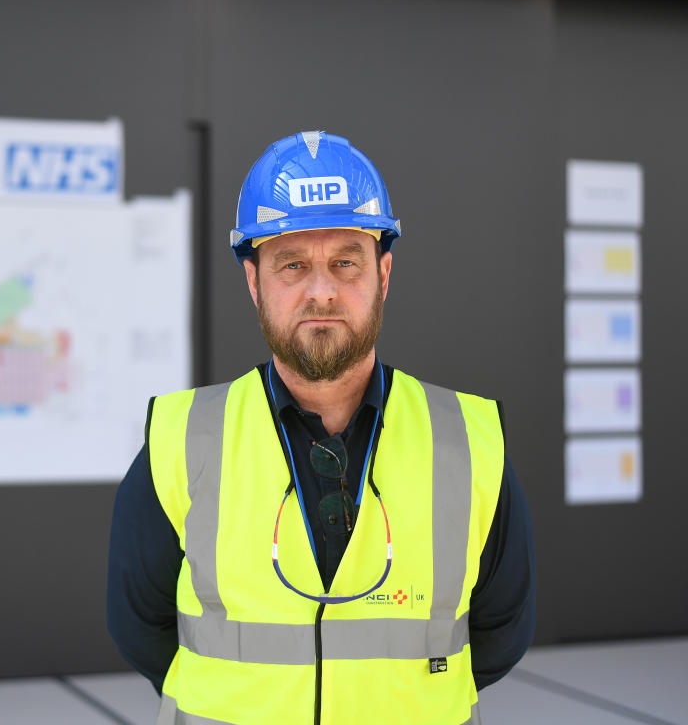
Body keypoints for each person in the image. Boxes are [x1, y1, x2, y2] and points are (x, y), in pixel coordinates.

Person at [107, 131, 535, 724]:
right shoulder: (184, 439)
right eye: (292, 264)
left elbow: (501, 630)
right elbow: (139, 624)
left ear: (383, 274)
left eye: (344, 262)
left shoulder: (466, 439)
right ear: (254, 282)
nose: (322, 290)